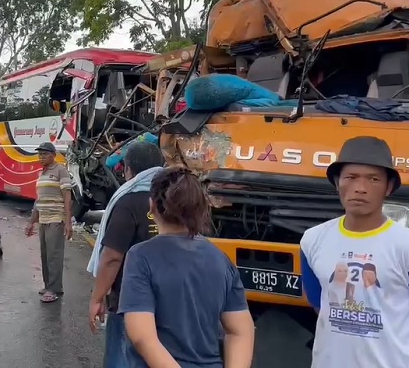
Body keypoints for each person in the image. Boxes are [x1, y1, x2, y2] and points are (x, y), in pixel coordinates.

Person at [118, 166, 254, 368]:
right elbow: (241, 330)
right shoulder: (220, 259)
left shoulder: (141, 256)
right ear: (200, 208)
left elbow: (142, 337)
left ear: (152, 206)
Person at [300, 136, 409, 368]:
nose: (360, 188)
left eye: (373, 179)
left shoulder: (403, 245)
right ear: (337, 182)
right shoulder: (313, 240)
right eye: (350, 178)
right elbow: (317, 300)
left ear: (389, 187)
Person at [86, 142, 163, 367]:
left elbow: (112, 257)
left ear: (128, 168)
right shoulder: (174, 198)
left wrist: (97, 298)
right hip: (171, 300)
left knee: (121, 357)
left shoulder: (128, 201)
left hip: (129, 301)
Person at [24, 142, 74, 303]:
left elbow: (67, 197)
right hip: (43, 219)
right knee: (45, 255)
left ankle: (54, 289)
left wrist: (68, 222)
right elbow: (39, 201)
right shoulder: (42, 174)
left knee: (54, 255)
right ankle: (48, 286)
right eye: (40, 154)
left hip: (56, 219)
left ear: (53, 155)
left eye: (45, 154)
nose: (41, 157)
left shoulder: (61, 171)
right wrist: (31, 222)